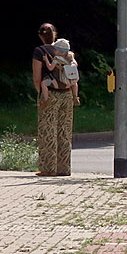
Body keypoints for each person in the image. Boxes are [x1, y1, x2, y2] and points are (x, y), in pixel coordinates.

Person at [32, 25, 79, 177]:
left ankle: (48, 168)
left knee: (48, 131)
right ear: (55, 35)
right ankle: (64, 168)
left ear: (40, 36)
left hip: (51, 93)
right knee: (64, 131)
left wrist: (40, 94)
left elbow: (37, 78)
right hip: (67, 93)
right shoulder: (68, 53)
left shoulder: (40, 52)